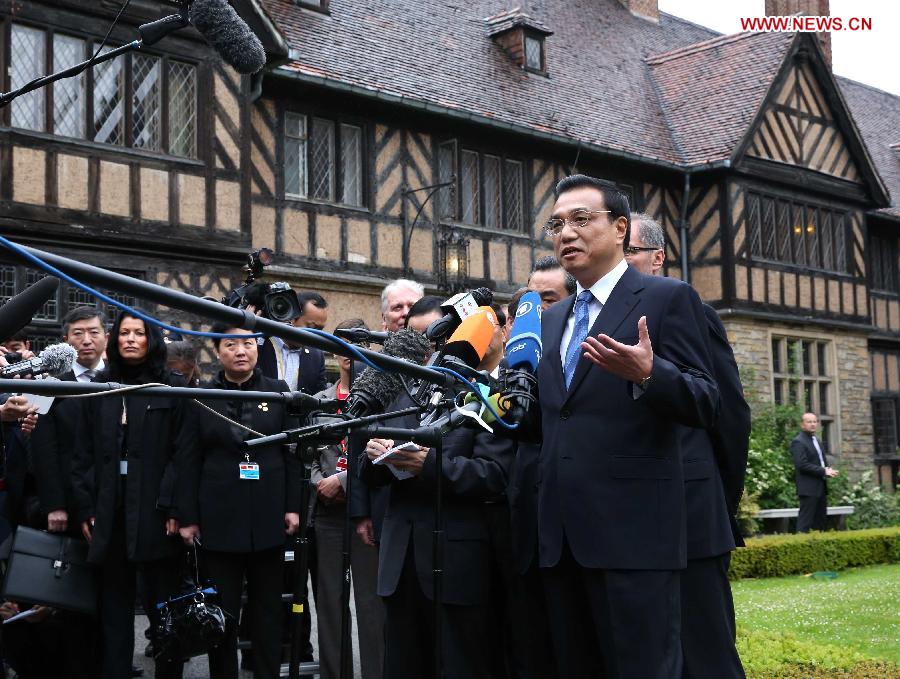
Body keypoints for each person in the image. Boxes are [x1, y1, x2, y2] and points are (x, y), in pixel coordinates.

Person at [535, 175, 719, 678]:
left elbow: (707, 400)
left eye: (580, 219)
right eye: (556, 224)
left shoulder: (666, 299)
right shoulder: (553, 321)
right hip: (561, 540)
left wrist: (649, 374)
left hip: (634, 538)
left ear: (620, 229)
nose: (565, 233)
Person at [360, 307, 515, 679]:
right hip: (400, 560)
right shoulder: (403, 391)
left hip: (457, 558)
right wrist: (373, 456)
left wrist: (426, 465)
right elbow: (369, 473)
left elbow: (494, 476)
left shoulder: (490, 395)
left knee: (461, 663)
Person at [627, 213, 750, 679]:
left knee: (706, 648)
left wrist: (721, 497)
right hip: (626, 517)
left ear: (657, 258)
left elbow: (730, 412)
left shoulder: (688, 308)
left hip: (691, 507)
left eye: (629, 252)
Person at [71, 310, 195, 679]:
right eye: (123, 333)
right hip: (110, 507)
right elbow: (82, 455)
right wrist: (85, 507)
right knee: (114, 610)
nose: (129, 339)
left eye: (138, 333)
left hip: (156, 510)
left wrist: (177, 506)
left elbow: (183, 453)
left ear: (151, 340)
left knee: (164, 610)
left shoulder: (172, 387)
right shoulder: (98, 388)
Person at [176, 323, 300, 678]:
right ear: (218, 352)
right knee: (222, 612)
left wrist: (292, 506)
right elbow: (187, 458)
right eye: (231, 345)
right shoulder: (200, 396)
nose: (240, 351)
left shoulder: (278, 392)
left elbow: (291, 453)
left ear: (258, 348)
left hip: (269, 513)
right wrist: (188, 516)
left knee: (267, 612)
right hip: (218, 515)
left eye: (248, 343)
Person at [310, 318, 384, 679]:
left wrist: (341, 479)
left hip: (364, 513)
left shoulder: (381, 400)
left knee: (371, 604)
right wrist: (320, 481)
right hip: (326, 513)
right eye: (342, 346)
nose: (349, 355)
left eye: (357, 346)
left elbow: (379, 453)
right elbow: (307, 452)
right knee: (329, 602)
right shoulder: (322, 399)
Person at [350, 280, 425, 553]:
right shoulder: (367, 369)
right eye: (397, 307)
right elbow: (357, 439)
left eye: (412, 306)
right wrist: (361, 512)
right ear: (384, 319)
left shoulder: (443, 366)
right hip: (383, 499)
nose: (405, 312)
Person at [257, 290, 329, 395]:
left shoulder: (316, 357)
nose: (315, 334)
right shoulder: (259, 345)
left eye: (320, 329)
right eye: (311, 327)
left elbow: (319, 396)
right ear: (292, 317)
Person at [791, 412, 838, 533]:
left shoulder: (817, 440)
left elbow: (821, 461)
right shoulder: (798, 442)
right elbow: (801, 465)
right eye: (809, 422)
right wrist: (823, 471)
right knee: (805, 523)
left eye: (815, 421)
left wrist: (828, 470)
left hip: (821, 487)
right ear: (802, 425)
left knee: (820, 522)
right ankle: (799, 547)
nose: (813, 424)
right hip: (808, 488)